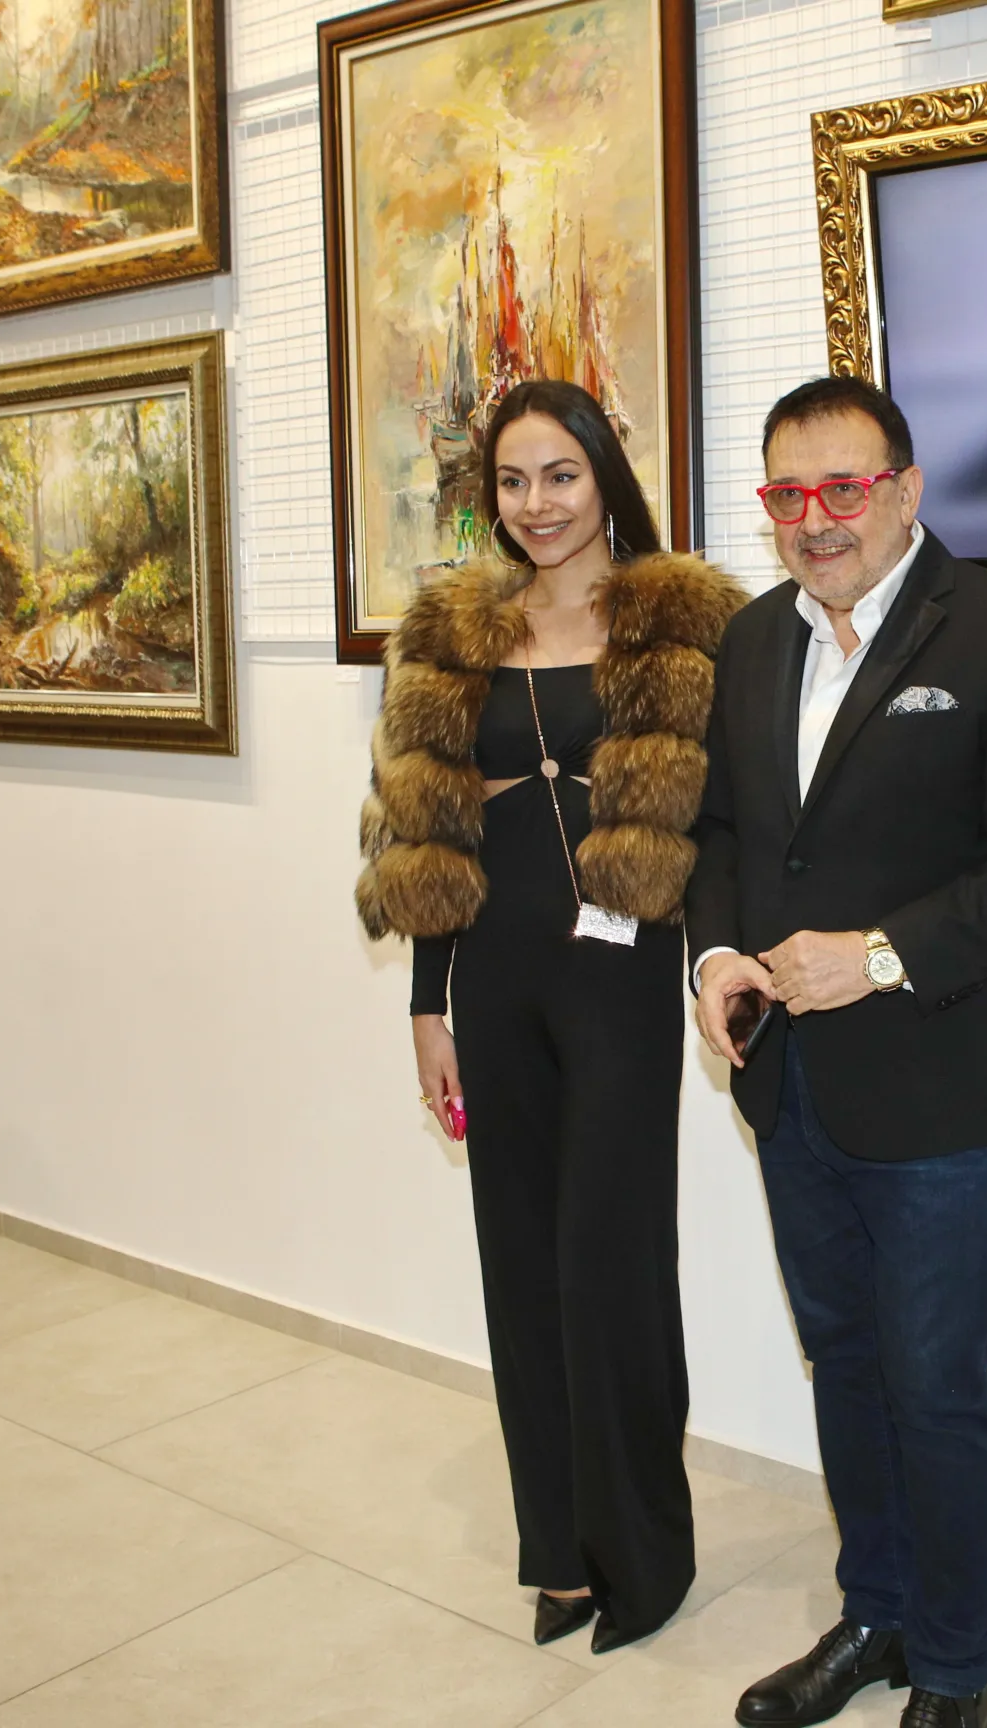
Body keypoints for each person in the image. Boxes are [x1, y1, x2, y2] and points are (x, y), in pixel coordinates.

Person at [688, 377, 987, 1728]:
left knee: (934, 1385)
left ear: (907, 490)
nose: (816, 519)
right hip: (787, 1085)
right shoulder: (752, 640)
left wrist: (871, 956)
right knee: (846, 1363)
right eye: (787, 494)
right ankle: (871, 1616)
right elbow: (725, 837)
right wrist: (716, 957)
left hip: (936, 1089)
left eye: (845, 488)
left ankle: (956, 1668)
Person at [354, 379, 744, 1654]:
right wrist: (429, 1007)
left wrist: (723, 962)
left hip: (619, 982)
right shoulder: (448, 633)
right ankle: (559, 1552)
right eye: (513, 482)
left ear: (604, 477)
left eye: (560, 476)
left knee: (611, 1266)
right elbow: (423, 834)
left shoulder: (685, 624)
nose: (537, 505)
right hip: (493, 977)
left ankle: (644, 1553)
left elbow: (731, 820)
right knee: (520, 1268)